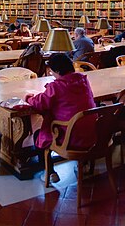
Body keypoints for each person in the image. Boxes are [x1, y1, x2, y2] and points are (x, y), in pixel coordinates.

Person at [23, 53, 96, 183]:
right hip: (91, 132)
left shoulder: (56, 86)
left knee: (38, 135)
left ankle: (50, 172)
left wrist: (28, 97)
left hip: (70, 137)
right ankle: (83, 165)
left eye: (51, 72)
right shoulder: (84, 80)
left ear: (56, 71)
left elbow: (40, 103)